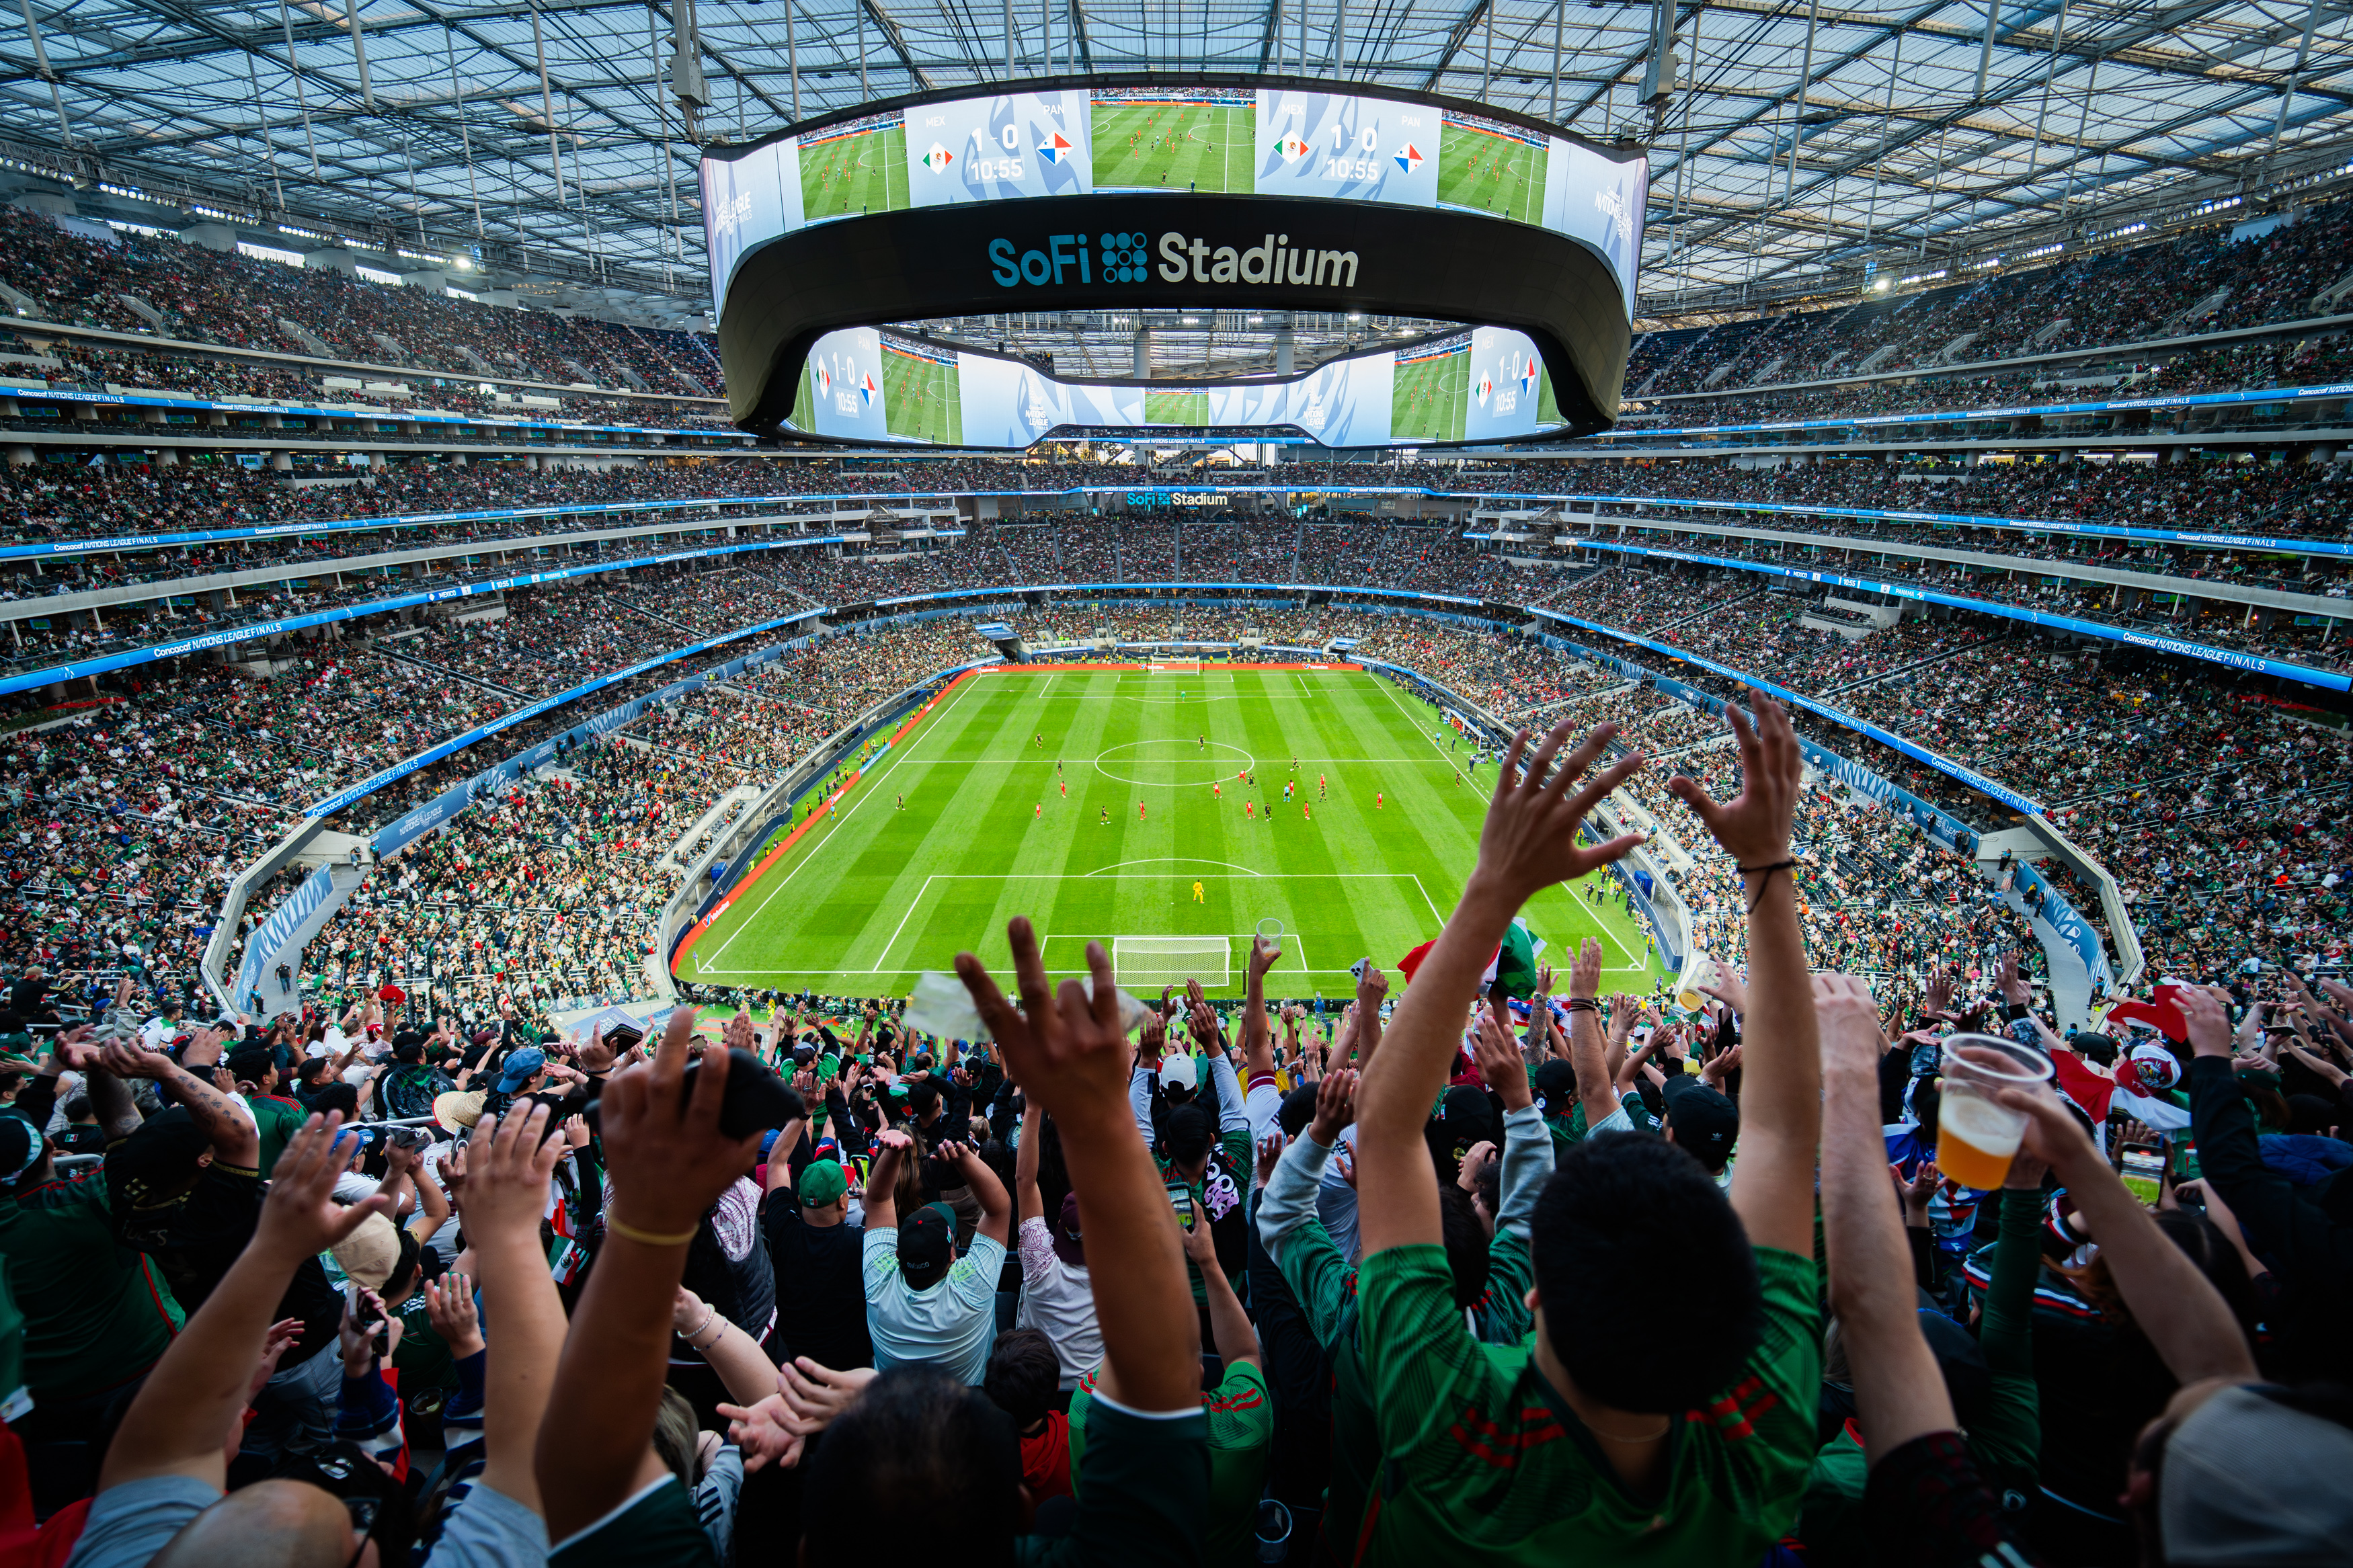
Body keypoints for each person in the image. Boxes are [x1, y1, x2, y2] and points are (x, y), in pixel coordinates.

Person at [1349, 701, 1825, 1561]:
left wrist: (1495, 886)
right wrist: (1765, 867)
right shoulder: (1758, 1454)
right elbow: (1788, 1136)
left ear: (1533, 1295)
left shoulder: (1450, 1430)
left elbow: (1380, 1128)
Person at [860, 1128, 1009, 1385]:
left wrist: (893, 1153)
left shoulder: (879, 1280)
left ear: (897, 1255)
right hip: (966, 1405)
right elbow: (1000, 1209)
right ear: (953, 1255)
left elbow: (877, 1200)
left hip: (894, 1404)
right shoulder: (973, 1287)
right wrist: (964, 1159)